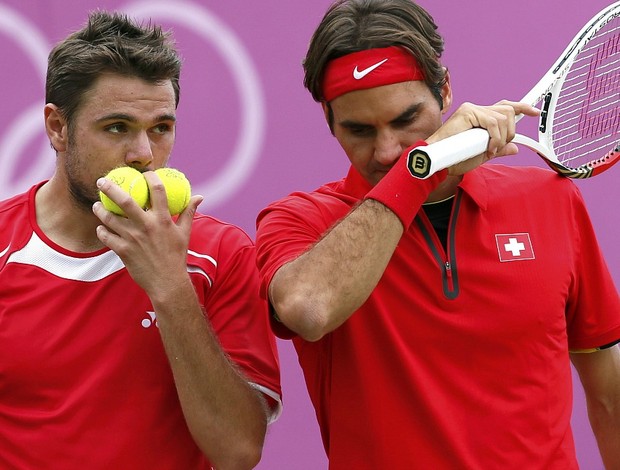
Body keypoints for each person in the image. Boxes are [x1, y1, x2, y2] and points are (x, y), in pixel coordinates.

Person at [254, 0, 620, 468]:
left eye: (407, 121)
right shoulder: (298, 220)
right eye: (359, 130)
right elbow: (308, 308)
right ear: (329, 120)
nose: (387, 151)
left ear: (444, 90)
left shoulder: (550, 199)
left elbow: (609, 396)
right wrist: (418, 170)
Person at [0, 10, 281, 470]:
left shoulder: (220, 254)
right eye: (117, 128)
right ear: (57, 127)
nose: (143, 155)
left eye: (161, 129)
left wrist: (170, 287)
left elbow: (236, 451)